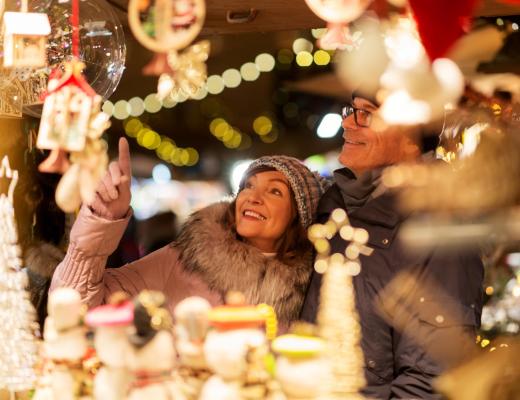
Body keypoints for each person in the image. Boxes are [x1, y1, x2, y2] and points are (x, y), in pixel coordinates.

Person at [300, 93, 484, 399]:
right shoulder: (334, 207)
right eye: (351, 110)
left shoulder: (440, 224)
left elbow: (431, 378)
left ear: (412, 134)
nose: (347, 123)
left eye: (366, 114)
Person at [50, 138, 327, 328]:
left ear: (299, 216)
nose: (252, 197)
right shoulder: (186, 259)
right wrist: (101, 220)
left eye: (275, 191)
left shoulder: (312, 288)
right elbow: (76, 306)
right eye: (248, 186)